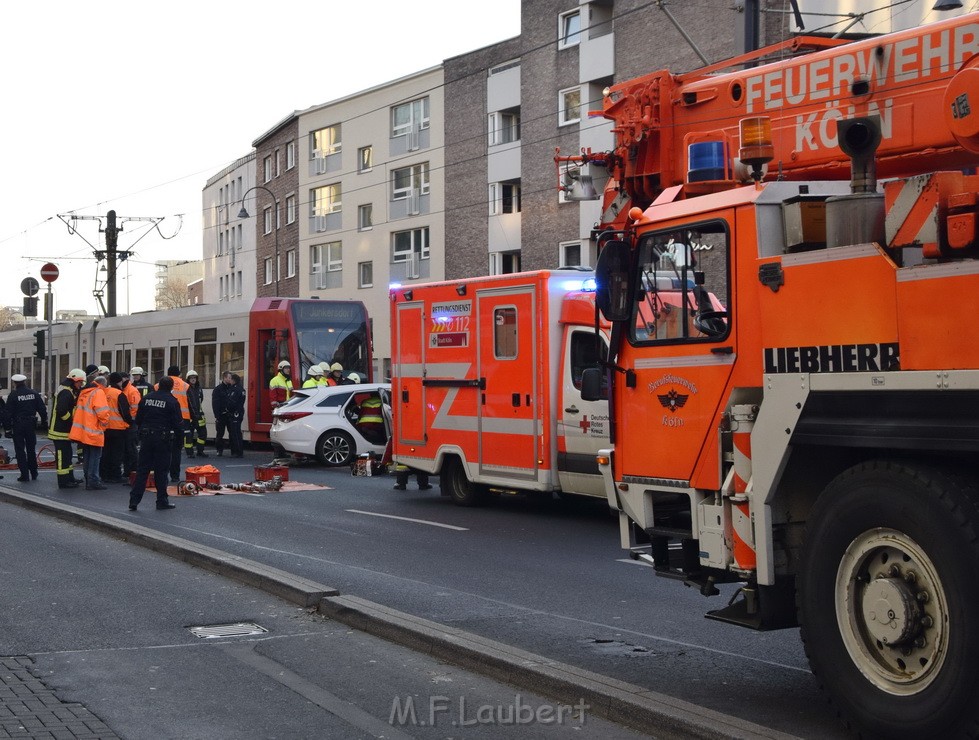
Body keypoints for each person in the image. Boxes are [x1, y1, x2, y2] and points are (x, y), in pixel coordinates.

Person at [128, 375, 183, 511]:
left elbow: (138, 419)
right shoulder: (172, 401)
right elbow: (177, 424)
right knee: (161, 471)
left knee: (142, 471)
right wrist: (179, 441)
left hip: (147, 438)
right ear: (171, 387)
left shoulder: (146, 399)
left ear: (158, 386)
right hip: (163, 440)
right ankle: (161, 501)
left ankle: (134, 501)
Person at [69, 374, 110, 490]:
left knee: (87, 455)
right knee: (95, 456)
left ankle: (88, 477)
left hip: (83, 431)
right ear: (102, 385)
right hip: (94, 430)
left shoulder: (85, 392)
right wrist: (104, 425)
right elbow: (102, 412)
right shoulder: (98, 392)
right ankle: (93, 481)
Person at [6, 373, 48, 482]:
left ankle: (24, 474)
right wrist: (44, 421)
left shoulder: (13, 395)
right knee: (31, 449)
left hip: (18, 425)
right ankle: (34, 472)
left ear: (15, 383)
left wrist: (7, 429)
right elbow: (42, 409)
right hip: (31, 424)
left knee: (20, 450)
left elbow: (7, 413)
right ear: (24, 382)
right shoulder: (33, 393)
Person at [49, 369, 86, 489]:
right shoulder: (66, 392)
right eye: (80, 382)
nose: (80, 385)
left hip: (63, 431)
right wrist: (71, 420)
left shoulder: (68, 390)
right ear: (75, 380)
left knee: (67, 455)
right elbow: (61, 410)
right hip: (59, 431)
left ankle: (70, 478)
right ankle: (63, 482)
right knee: (62, 457)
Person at [155, 366, 190, 483]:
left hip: (162, 420)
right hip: (181, 420)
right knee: (176, 449)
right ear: (179, 374)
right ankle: (175, 475)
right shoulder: (186, 385)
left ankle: (162, 474)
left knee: (163, 449)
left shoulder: (157, 385)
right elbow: (192, 404)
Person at [99, 372, 131, 484]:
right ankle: (115, 475)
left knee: (106, 452)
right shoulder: (119, 394)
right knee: (117, 454)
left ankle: (104, 474)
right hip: (118, 429)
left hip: (105, 428)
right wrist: (130, 423)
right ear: (119, 381)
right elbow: (125, 412)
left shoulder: (103, 392)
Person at [121, 372, 141, 477]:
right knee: (126, 449)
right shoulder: (123, 390)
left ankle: (133, 471)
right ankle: (128, 470)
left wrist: (130, 421)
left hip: (130, 424)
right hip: (124, 424)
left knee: (131, 449)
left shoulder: (132, 391)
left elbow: (135, 408)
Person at [185, 369, 208, 457]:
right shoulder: (186, 389)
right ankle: (190, 453)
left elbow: (200, 400)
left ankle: (200, 450)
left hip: (199, 415)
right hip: (190, 415)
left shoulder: (199, 388)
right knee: (188, 435)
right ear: (188, 379)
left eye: (194, 378)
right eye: (191, 378)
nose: (193, 379)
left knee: (203, 433)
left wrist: (199, 413)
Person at [227, 374, 245, 457]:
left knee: (235, 432)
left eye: (230, 379)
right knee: (236, 431)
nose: (229, 380)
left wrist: (228, 408)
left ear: (234, 380)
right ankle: (238, 451)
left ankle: (237, 451)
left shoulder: (235, 389)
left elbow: (232, 402)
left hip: (235, 413)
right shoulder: (241, 389)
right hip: (239, 412)